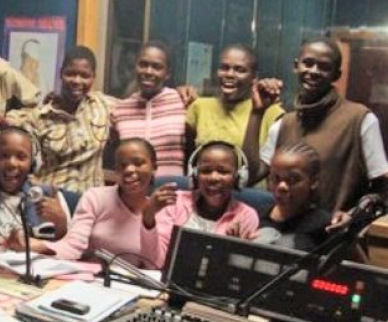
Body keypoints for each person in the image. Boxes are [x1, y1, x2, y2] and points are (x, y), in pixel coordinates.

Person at [259, 37, 388, 212]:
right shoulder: (284, 123)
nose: (314, 71)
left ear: (336, 75)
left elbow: (381, 186)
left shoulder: (360, 120)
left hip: (332, 235)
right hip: (282, 232)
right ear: (296, 66)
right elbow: (252, 176)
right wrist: (256, 113)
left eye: (324, 67)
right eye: (308, 63)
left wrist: (353, 216)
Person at [7, 138, 169, 268]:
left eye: (138, 163)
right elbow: (72, 247)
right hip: (91, 283)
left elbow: (154, 264)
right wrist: (34, 246)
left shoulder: (163, 209)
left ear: (154, 167)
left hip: (135, 290)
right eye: (122, 165)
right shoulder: (95, 198)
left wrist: (149, 219)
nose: (129, 170)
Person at [7, 46, 113, 193]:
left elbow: (134, 107)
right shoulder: (39, 117)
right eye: (70, 74)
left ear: (94, 77)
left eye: (85, 76)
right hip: (51, 198)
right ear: (60, 73)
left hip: (92, 203)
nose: (77, 81)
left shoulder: (103, 106)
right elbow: (9, 124)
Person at [186, 44, 284, 185]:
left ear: (253, 77)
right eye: (224, 68)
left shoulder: (271, 112)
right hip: (206, 195)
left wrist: (257, 112)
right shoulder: (199, 107)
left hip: (250, 199)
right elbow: (189, 161)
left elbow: (253, 173)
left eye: (240, 70)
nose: (230, 74)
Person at [153, 141, 259, 263]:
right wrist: (148, 219)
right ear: (194, 175)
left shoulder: (246, 216)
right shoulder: (174, 201)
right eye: (206, 171)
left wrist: (233, 252)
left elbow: (241, 272)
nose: (213, 178)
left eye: (223, 171)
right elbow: (157, 260)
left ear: (238, 177)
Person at [111, 41, 187, 178]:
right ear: (135, 67)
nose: (148, 71)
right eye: (143, 65)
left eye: (157, 67)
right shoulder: (120, 110)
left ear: (167, 73)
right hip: (133, 193)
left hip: (173, 191)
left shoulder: (182, 103)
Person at [254, 141, 332, 250]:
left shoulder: (325, 225)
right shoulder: (254, 217)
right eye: (275, 178)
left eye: (293, 180)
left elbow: (352, 264)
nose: (282, 186)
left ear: (313, 182)